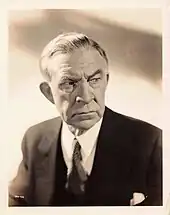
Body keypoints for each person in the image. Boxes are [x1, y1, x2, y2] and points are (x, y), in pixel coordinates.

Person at [8, 32, 162, 206]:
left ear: (106, 81)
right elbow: (16, 202)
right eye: (69, 84)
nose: (86, 96)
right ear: (49, 93)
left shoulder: (149, 142)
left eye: (94, 80)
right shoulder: (35, 138)